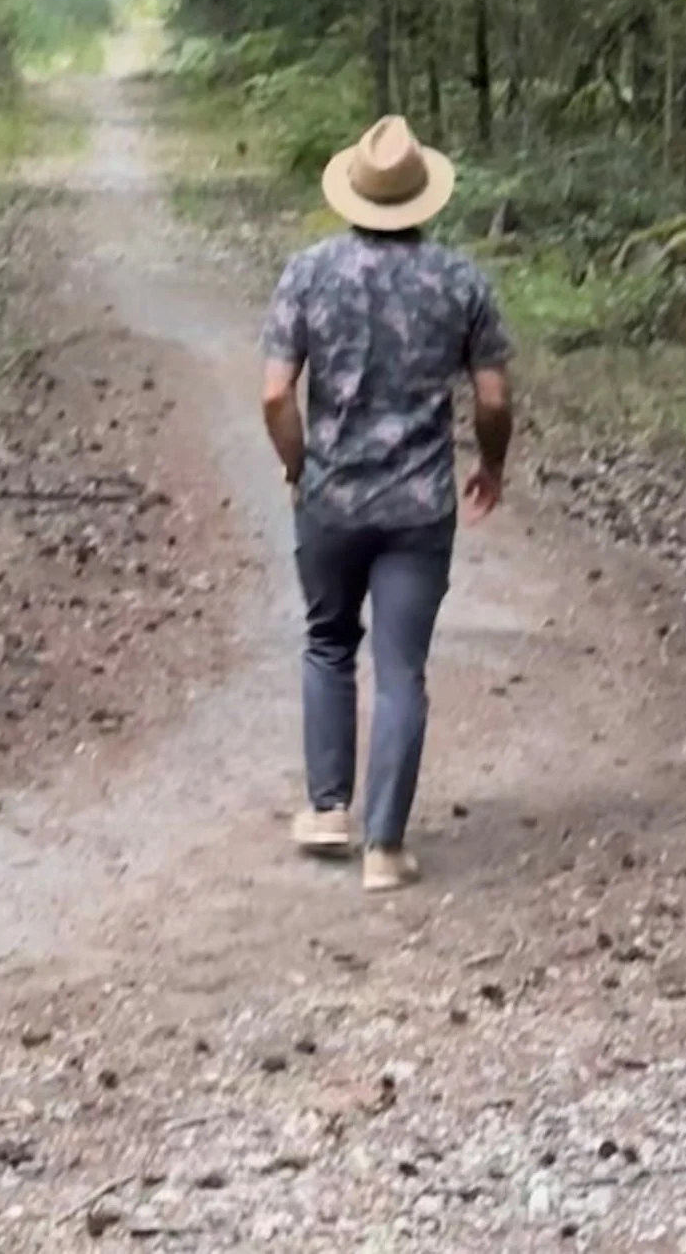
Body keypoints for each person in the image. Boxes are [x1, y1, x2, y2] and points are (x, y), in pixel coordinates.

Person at [259, 113, 514, 892]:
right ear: (421, 200)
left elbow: (274, 393)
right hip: (417, 508)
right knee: (402, 668)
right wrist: (492, 463)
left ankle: (328, 807)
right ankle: (384, 848)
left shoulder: (308, 272)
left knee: (329, 641)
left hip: (331, 499)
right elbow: (494, 397)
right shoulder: (462, 280)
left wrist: (300, 462)